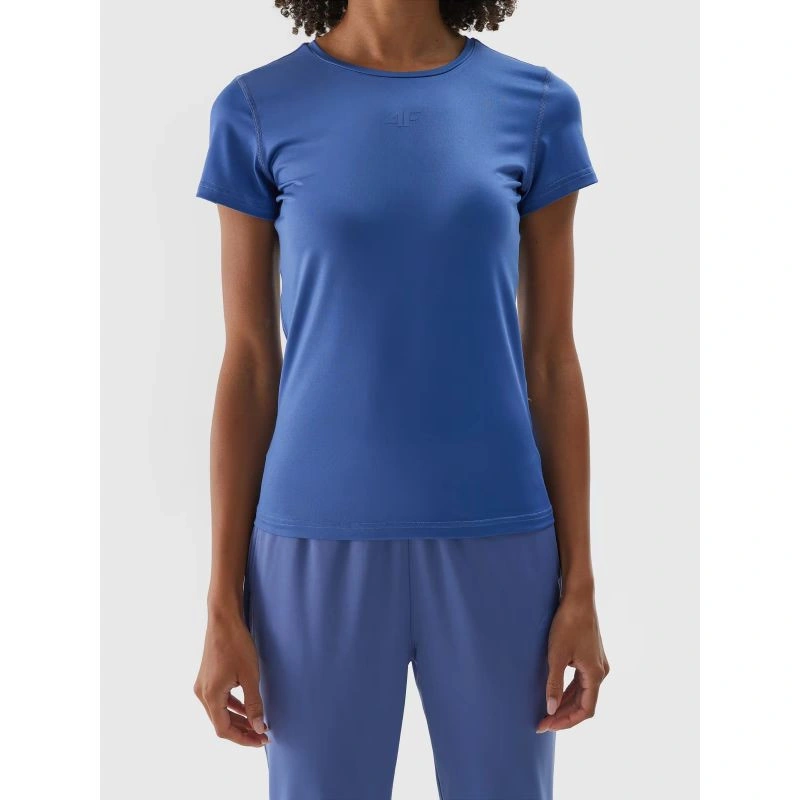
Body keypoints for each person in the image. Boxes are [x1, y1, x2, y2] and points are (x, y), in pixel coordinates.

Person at [193, 1, 609, 797]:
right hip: (312, 548)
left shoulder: (538, 107)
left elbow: (553, 361)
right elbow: (248, 365)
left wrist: (582, 588)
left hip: (501, 542)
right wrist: (221, 603)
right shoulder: (254, 109)